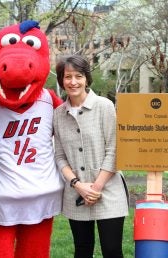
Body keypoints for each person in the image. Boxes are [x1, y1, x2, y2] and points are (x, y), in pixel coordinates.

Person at [53, 55, 129, 258]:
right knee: (82, 250)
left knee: (112, 251)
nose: (73, 81)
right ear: (61, 80)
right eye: (67, 77)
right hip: (76, 192)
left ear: (86, 78)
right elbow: (59, 156)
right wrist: (78, 185)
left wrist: (94, 189)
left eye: (78, 76)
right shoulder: (58, 114)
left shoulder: (104, 106)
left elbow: (114, 150)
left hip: (108, 190)